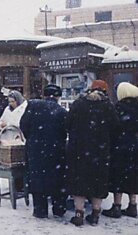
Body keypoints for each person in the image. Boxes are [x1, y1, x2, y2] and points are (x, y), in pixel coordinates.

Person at [66, 80, 118, 226]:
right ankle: (95, 214)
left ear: (89, 89)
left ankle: (79, 214)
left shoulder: (78, 104)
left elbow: (68, 123)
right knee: (98, 182)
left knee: (79, 181)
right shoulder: (108, 106)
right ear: (104, 91)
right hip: (100, 151)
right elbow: (115, 127)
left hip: (79, 150)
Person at [20, 84, 68, 219]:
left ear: (44, 95)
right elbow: (66, 131)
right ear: (58, 97)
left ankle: (40, 209)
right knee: (57, 179)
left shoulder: (33, 106)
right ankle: (59, 208)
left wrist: (33, 138)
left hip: (36, 149)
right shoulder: (62, 112)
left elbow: (23, 125)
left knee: (37, 179)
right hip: (56, 150)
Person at [102, 82, 138, 218]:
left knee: (118, 175)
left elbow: (112, 127)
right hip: (135, 145)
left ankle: (117, 206)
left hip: (119, 145)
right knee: (133, 175)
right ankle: (133, 205)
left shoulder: (117, 108)